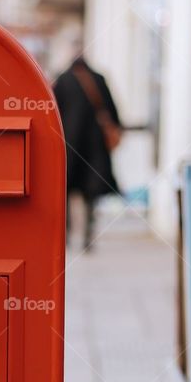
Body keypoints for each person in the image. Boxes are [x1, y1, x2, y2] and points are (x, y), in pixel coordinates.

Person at [53, 46, 123, 250]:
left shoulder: (63, 80)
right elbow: (112, 110)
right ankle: (88, 236)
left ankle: (64, 235)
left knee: (64, 191)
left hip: (68, 145)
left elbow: (53, 111)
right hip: (94, 147)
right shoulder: (98, 79)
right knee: (90, 194)